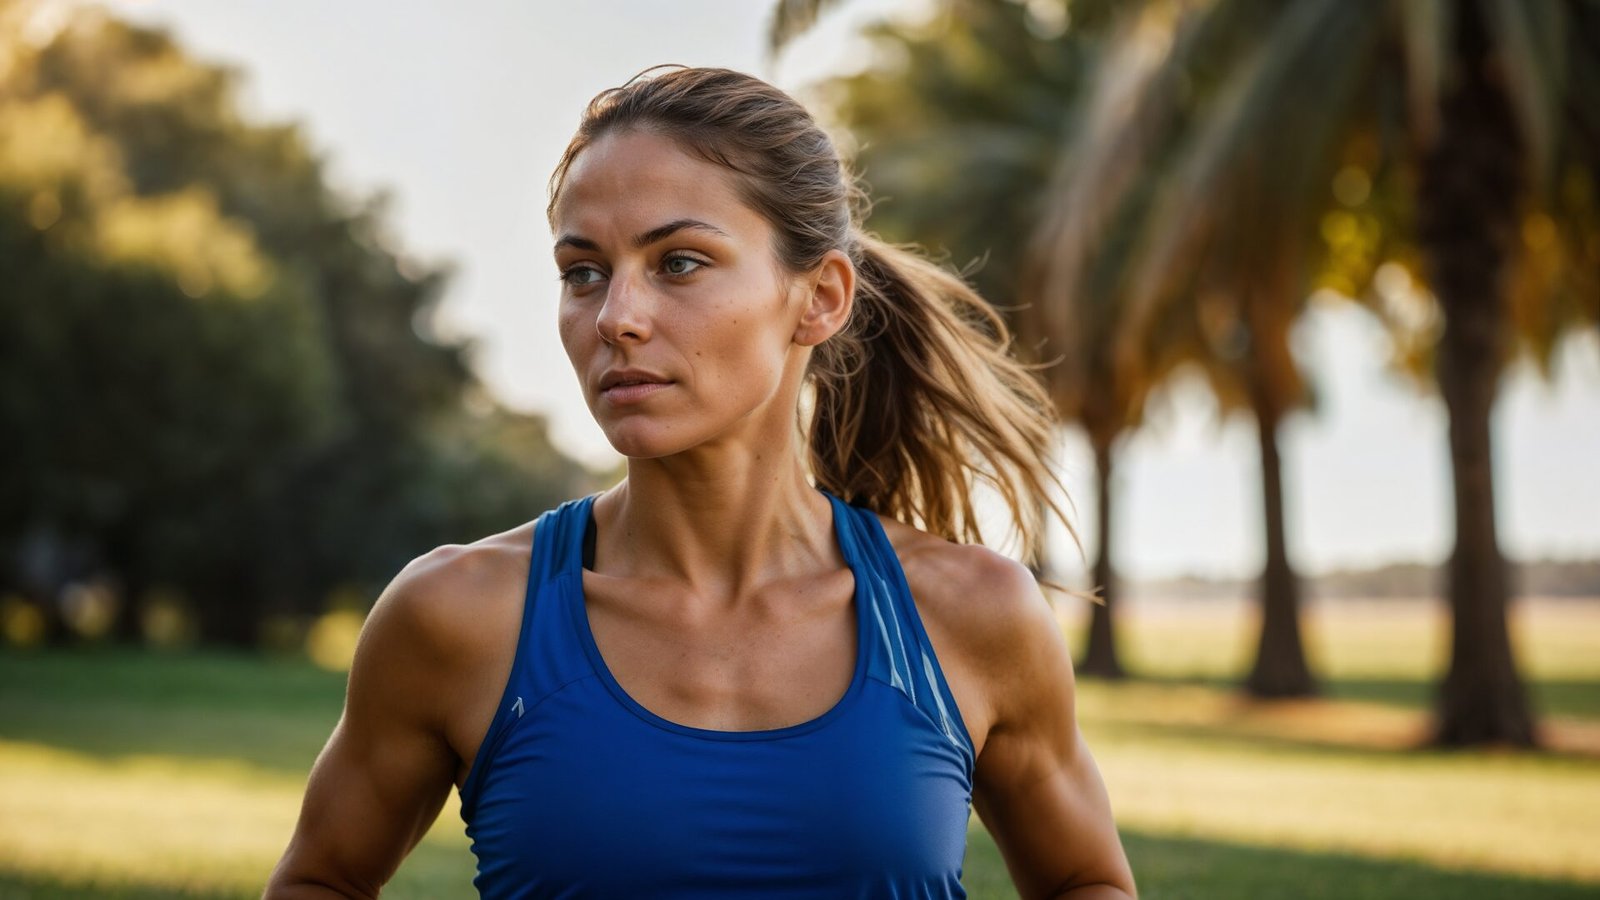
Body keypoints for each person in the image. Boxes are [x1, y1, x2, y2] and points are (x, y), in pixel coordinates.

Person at [264, 66, 1136, 900]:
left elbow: (1083, 881)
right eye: (583, 272)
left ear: (820, 298)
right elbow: (322, 879)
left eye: (678, 262)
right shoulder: (458, 616)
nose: (616, 318)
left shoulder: (972, 616)